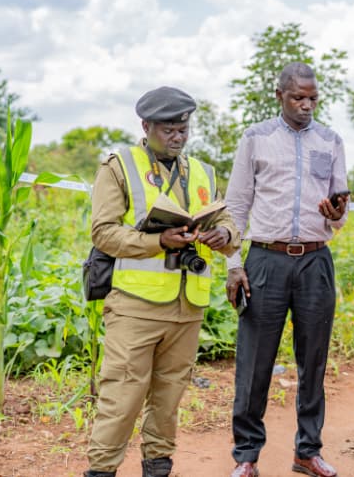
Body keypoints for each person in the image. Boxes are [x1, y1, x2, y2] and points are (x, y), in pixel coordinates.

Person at [84, 86, 241, 477]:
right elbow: (103, 233)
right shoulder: (119, 165)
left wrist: (224, 236)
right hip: (136, 306)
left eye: (183, 128)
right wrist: (158, 242)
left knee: (169, 401)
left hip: (188, 307)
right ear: (146, 126)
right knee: (122, 397)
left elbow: (226, 221)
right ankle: (101, 471)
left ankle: (158, 469)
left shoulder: (203, 171)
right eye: (168, 129)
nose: (177, 136)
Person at [225, 62, 349, 477]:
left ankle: (307, 451)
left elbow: (338, 211)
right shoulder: (256, 139)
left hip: (315, 261)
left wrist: (336, 214)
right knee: (255, 363)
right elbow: (236, 206)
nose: (307, 105)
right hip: (265, 260)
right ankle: (246, 456)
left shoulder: (331, 141)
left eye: (313, 98)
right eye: (299, 97)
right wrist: (233, 265)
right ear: (279, 95)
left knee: (312, 362)